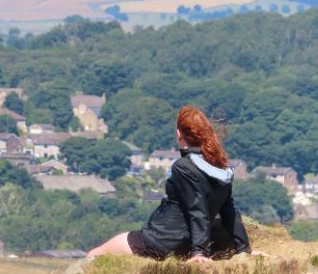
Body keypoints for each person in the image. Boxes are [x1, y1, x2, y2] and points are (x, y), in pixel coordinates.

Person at [88, 106, 261, 263]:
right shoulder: (221, 167)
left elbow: (197, 209)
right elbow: (229, 211)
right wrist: (244, 250)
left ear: (179, 134)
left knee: (95, 254)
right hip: (186, 242)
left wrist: (199, 253)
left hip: (160, 241)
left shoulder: (183, 167)